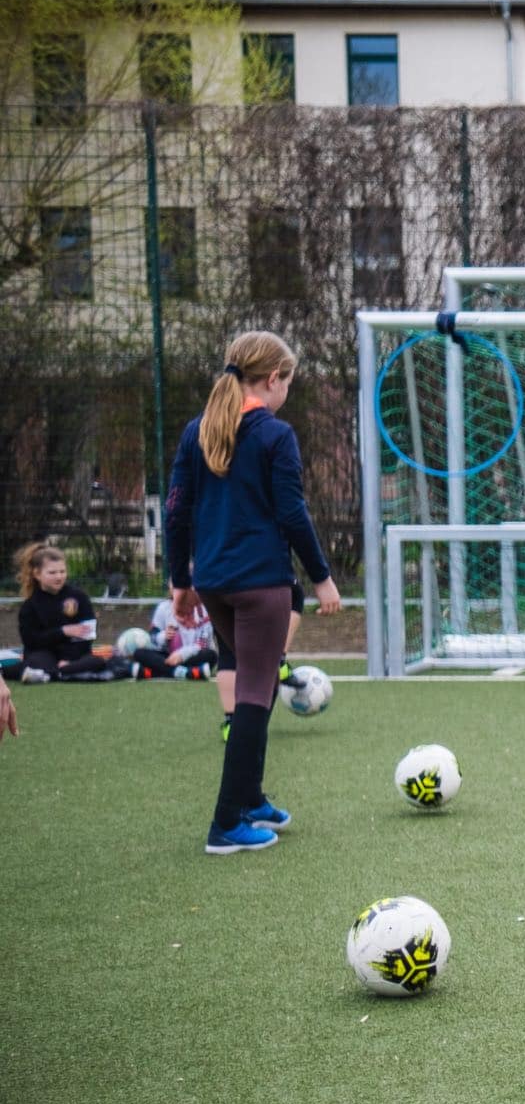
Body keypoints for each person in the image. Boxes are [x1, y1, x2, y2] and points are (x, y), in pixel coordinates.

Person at [164, 331, 342, 855]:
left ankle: (251, 798)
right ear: (273, 379)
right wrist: (322, 576)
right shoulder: (274, 435)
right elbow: (292, 512)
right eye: (288, 382)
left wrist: (180, 581)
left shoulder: (197, 429)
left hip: (213, 583)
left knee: (255, 689)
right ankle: (226, 824)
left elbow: (175, 510)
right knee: (254, 695)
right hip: (260, 584)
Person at [211, 583, 305, 740]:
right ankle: (279, 660)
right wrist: (322, 579)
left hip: (214, 580)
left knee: (227, 651)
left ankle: (231, 724)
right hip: (254, 579)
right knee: (295, 593)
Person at [13, 544, 115, 682]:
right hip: (43, 654)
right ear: (37, 574)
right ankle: (56, 672)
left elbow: (88, 634)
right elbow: (31, 641)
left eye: (62, 571)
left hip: (75, 654)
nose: (59, 577)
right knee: (38, 662)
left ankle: (57, 673)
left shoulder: (79, 597)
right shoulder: (30, 605)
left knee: (98, 662)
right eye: (52, 573)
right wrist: (63, 632)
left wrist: (68, 659)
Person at [136, 593, 218, 680]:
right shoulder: (163, 607)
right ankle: (187, 672)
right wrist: (163, 636)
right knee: (139, 653)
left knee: (211, 655)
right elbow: (153, 636)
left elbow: (203, 643)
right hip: (167, 656)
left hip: (191, 656)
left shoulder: (203, 608)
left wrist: (181, 655)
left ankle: (154, 672)